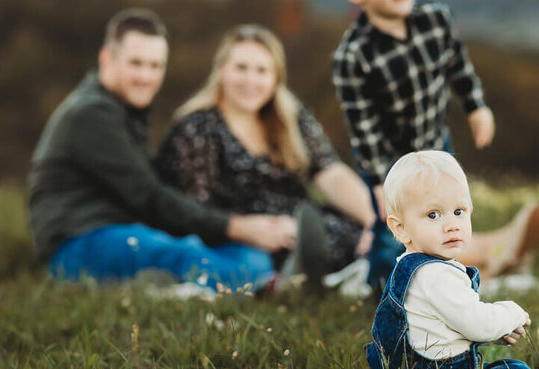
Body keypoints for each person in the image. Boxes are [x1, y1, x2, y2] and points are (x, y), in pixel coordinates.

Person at [28, 8, 307, 294]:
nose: (146, 76)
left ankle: (180, 289)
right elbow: (149, 197)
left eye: (155, 65)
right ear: (106, 59)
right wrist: (238, 226)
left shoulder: (124, 110)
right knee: (183, 255)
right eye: (136, 63)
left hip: (128, 232)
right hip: (79, 243)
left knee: (251, 257)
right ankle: (279, 289)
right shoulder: (91, 116)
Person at [331, 0, 539, 289]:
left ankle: (449, 278)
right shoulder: (353, 56)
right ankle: (386, 285)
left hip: (434, 144)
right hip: (390, 162)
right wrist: (382, 183)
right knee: (396, 230)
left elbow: (458, 67)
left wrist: (476, 108)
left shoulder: (435, 19)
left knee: (446, 213)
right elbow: (363, 128)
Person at [155, 24, 376, 287]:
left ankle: (343, 272)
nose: (250, 80)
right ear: (222, 71)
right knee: (258, 258)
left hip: (300, 226)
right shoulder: (197, 128)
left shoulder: (291, 116)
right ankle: (317, 277)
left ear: (275, 78)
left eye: (261, 71)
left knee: (357, 231)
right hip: (237, 235)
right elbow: (193, 210)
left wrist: (372, 221)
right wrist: (253, 229)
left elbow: (330, 171)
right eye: (241, 68)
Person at [366, 151, 537, 369]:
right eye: (433, 215)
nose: (451, 226)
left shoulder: (410, 265)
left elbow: (446, 325)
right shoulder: (436, 275)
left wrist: (496, 334)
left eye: (459, 211)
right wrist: (512, 313)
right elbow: (478, 324)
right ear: (401, 228)